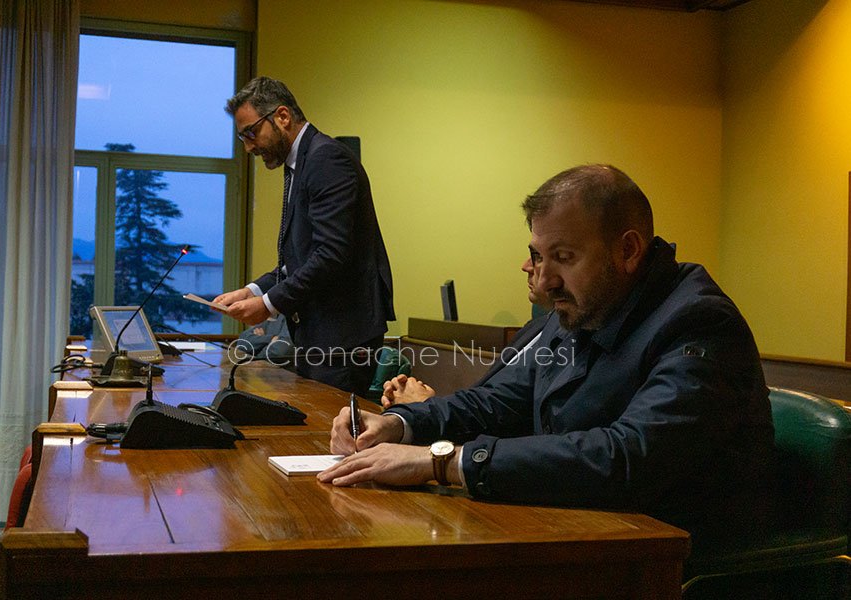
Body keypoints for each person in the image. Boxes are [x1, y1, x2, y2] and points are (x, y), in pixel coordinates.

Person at [319, 164, 775, 546]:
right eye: (540, 255)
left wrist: (442, 462)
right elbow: (497, 401)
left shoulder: (697, 323)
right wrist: (400, 425)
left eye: (564, 256)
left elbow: (628, 457)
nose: (546, 278)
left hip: (667, 553)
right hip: (584, 530)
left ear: (628, 250)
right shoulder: (585, 308)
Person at [215, 77, 394, 394]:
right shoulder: (302, 162)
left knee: (333, 435)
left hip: (341, 337)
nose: (248, 147)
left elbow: (331, 255)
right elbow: (301, 259)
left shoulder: (326, 159)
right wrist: (252, 290)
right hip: (323, 333)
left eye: (251, 133)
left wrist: (268, 304)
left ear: (282, 117)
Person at [381, 256, 553, 408]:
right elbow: (489, 399)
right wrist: (422, 404)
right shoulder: (534, 328)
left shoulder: (566, 347)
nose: (525, 266)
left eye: (539, 256)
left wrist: (426, 406)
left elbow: (509, 417)